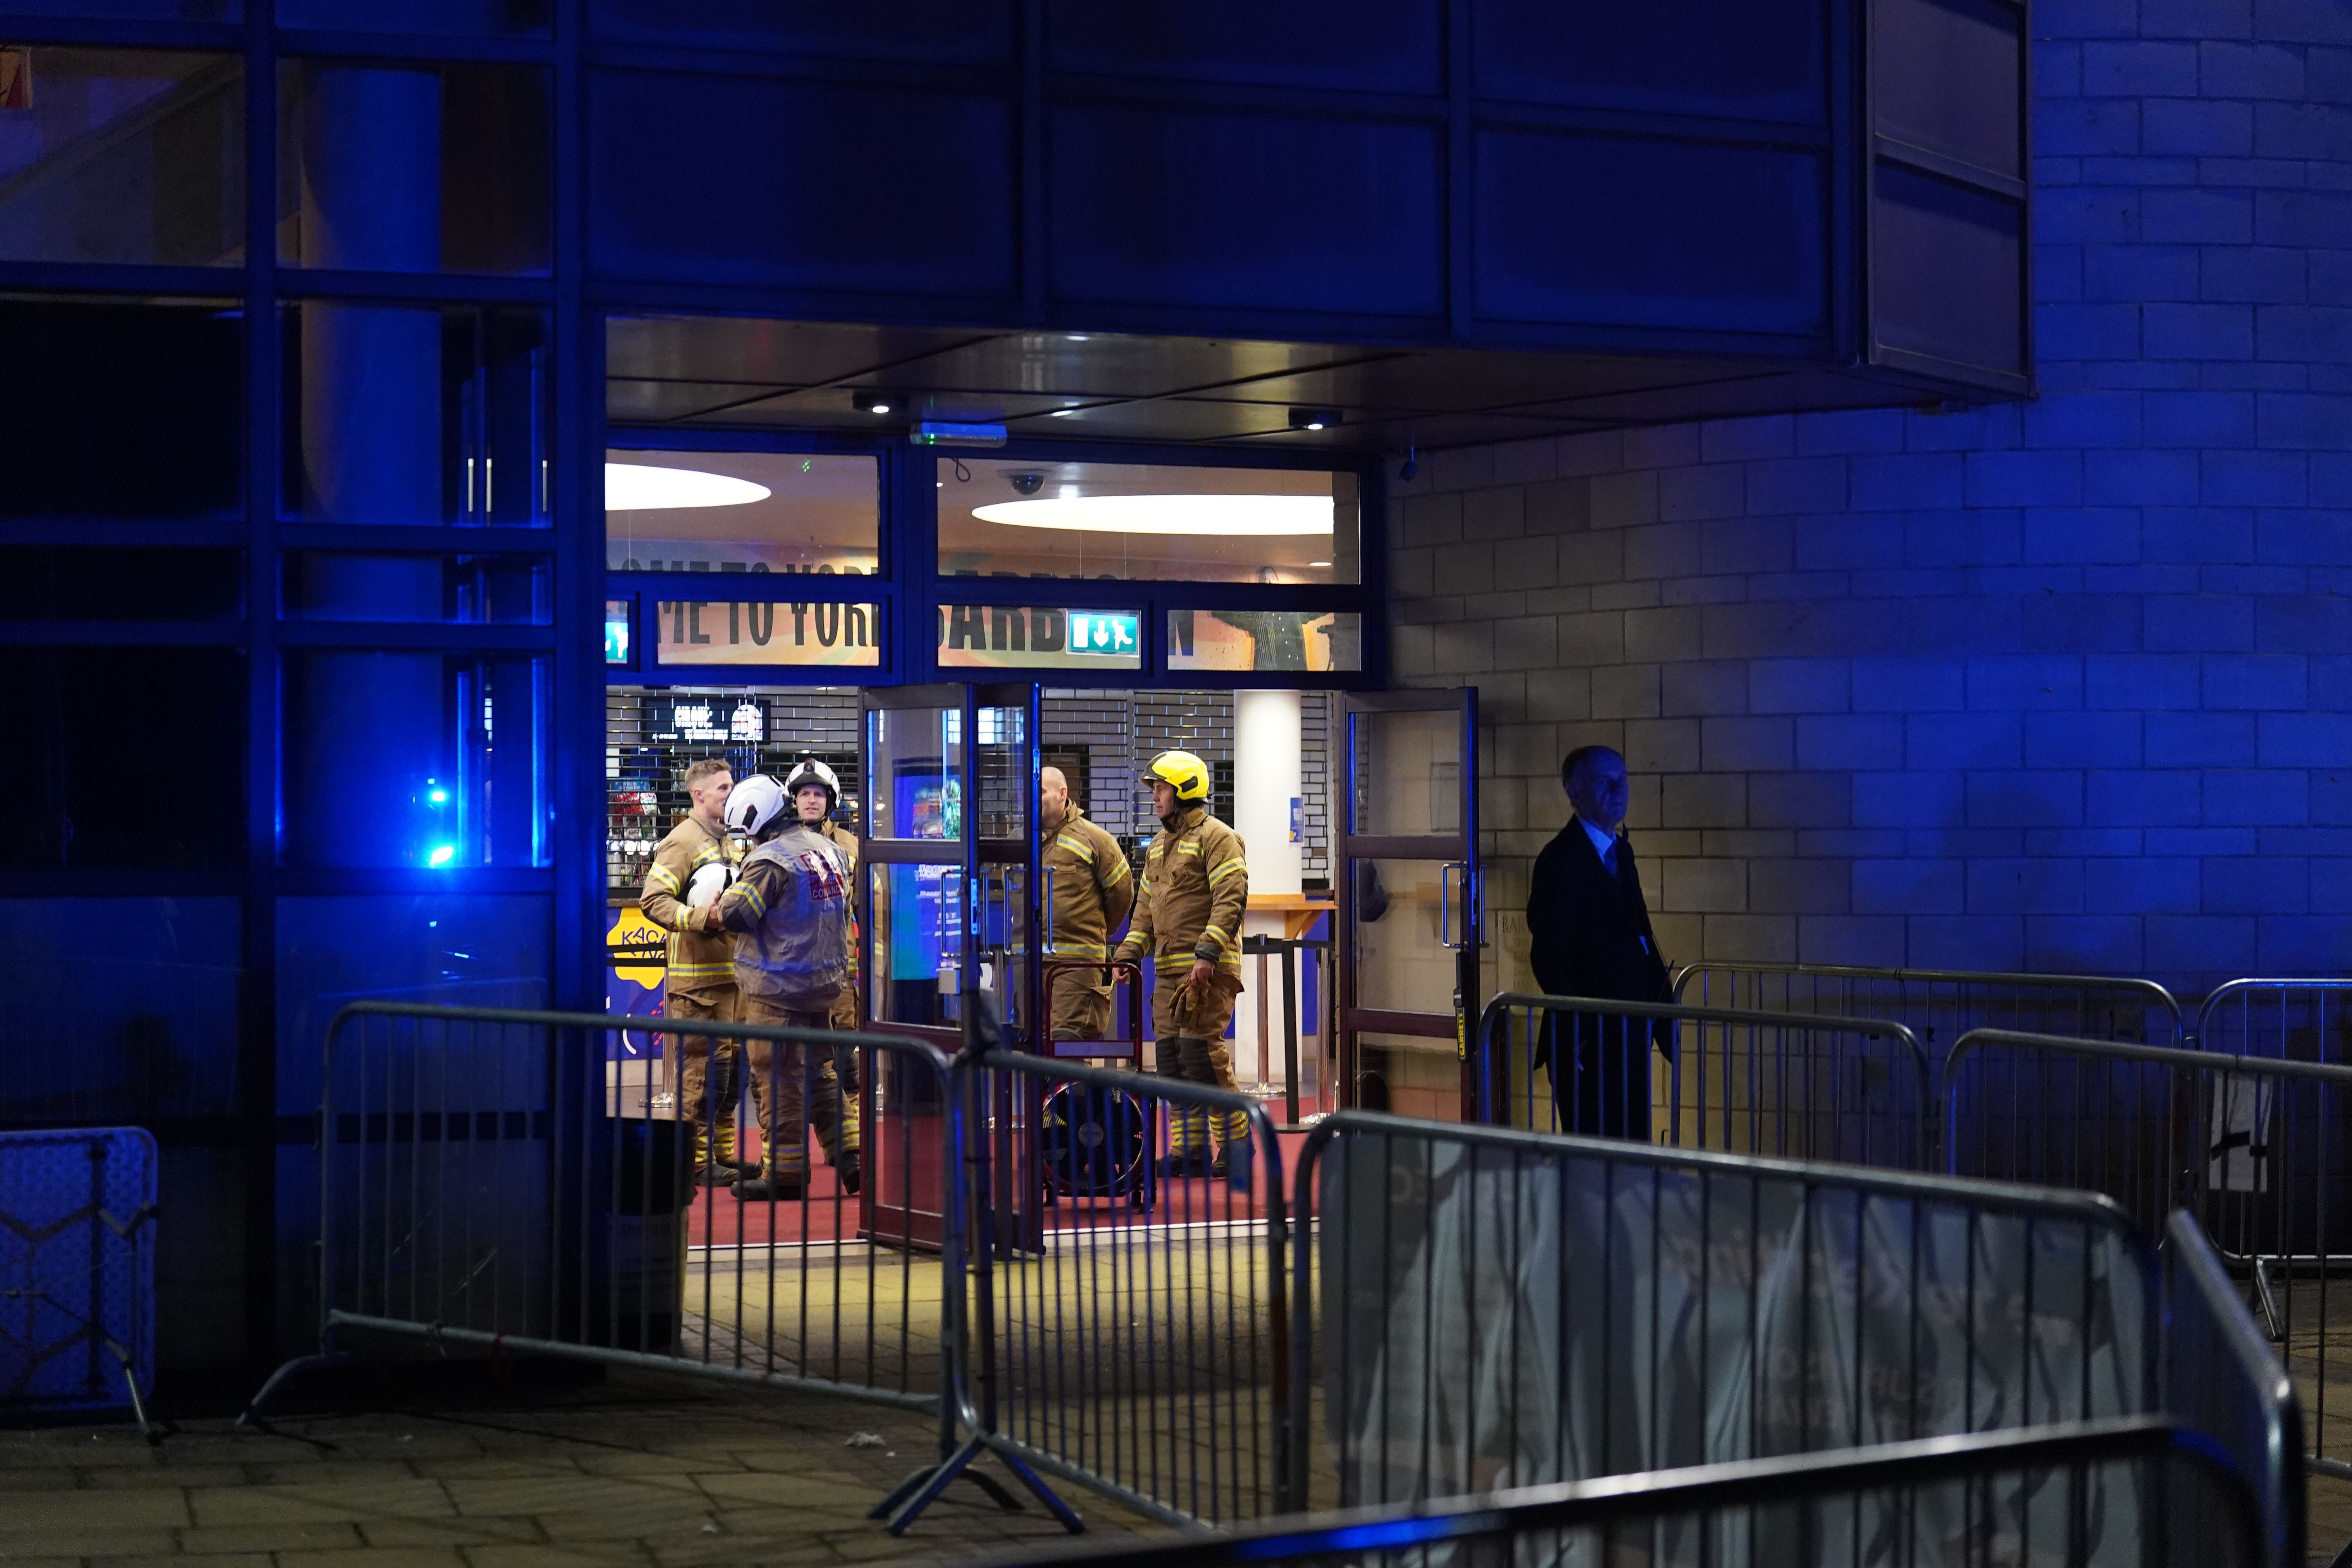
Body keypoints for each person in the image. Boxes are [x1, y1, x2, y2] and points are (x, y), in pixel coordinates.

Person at [702, 773, 859, 1200]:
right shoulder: (829, 849)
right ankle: (852, 1157)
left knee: (779, 1081)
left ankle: (785, 1176)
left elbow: (739, 914)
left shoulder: (771, 860)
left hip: (779, 990)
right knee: (822, 1073)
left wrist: (722, 899)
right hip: (824, 983)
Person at [1113, 750, 1252, 1182]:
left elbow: (1231, 896)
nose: (1154, 797)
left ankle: (1237, 1148)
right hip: (1171, 974)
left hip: (1206, 972)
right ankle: (1188, 1150)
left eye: (1160, 788)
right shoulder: (1157, 846)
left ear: (1185, 790)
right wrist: (1128, 954)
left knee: (1202, 1055)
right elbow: (1145, 909)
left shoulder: (1218, 837)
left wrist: (1209, 953)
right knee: (1172, 1060)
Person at [1525, 744, 1673, 1141]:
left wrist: (1663, 1010)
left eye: (1623, 779)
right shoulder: (1560, 860)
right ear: (1575, 792)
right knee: (1596, 1158)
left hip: (1628, 1032)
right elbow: (1551, 955)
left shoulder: (1621, 851)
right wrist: (1580, 1028)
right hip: (1589, 1043)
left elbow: (1639, 933)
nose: (1619, 789)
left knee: (1631, 1147)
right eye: (1604, 782)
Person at [637, 757, 749, 1186]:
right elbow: (654, 900)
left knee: (731, 1078)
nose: (731, 794)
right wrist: (703, 918)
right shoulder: (681, 841)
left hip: (735, 983)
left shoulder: (733, 840)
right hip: (698, 988)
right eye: (723, 788)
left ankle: (721, 1155)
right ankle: (696, 1164)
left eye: (732, 786)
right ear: (698, 794)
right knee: (702, 1080)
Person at [784, 758, 863, 1182]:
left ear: (829, 801)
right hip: (794, 975)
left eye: (818, 794)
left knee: (843, 1062)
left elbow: (867, 904)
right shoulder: (778, 844)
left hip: (838, 972)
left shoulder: (851, 845)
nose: (811, 801)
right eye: (804, 794)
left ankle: (849, 1152)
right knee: (800, 1067)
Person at [1040, 765, 1135, 1045]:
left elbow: (1122, 894)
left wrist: (1095, 932)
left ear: (1062, 794)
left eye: (1042, 791)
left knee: (1066, 1045)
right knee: (1033, 1048)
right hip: (1030, 964)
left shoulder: (1095, 839)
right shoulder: (1021, 841)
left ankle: (1075, 1093)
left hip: (1077, 966)